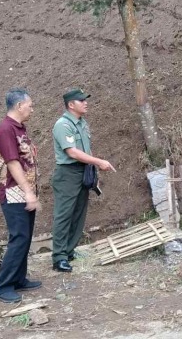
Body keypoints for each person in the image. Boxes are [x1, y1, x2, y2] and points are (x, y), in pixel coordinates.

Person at [51, 88, 115, 272]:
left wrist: (93, 170)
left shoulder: (82, 123)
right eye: (81, 100)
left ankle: (69, 251)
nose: (86, 102)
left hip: (83, 171)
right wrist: (99, 162)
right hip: (68, 174)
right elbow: (72, 152)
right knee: (63, 215)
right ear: (71, 105)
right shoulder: (63, 125)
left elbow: (86, 149)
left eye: (85, 99)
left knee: (78, 213)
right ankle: (59, 257)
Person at [0, 87, 42, 303]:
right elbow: (12, 163)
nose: (32, 109)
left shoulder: (19, 128)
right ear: (19, 105)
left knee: (26, 236)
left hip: (24, 191)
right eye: (30, 105)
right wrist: (28, 192)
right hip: (13, 192)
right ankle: (2, 287)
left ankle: (19, 278)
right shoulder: (5, 130)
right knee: (19, 238)